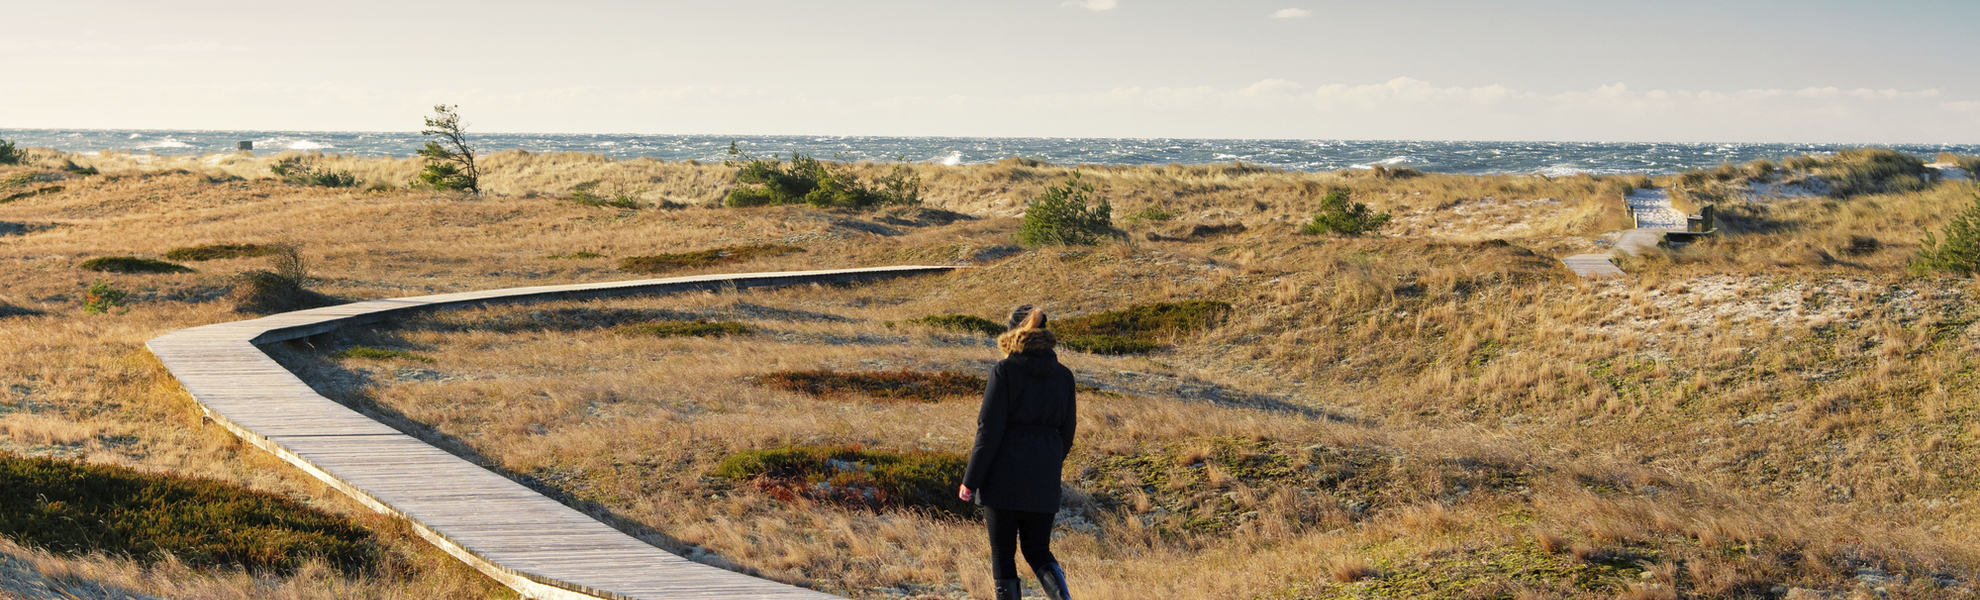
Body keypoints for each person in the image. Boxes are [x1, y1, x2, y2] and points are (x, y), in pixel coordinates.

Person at [959, 304, 1077, 600]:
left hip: (1002, 480)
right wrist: (1047, 464)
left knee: (1003, 553)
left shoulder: (1004, 371)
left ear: (1012, 333)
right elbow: (1068, 431)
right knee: (1038, 550)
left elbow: (988, 430)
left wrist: (970, 480)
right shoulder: (1063, 376)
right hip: (1043, 481)